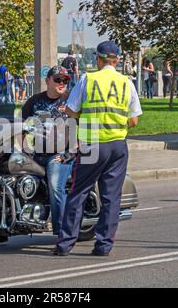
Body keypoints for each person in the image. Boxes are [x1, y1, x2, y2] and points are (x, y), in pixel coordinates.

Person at [54, 41, 142, 256]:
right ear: (117, 60)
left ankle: (65, 245)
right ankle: (103, 246)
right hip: (118, 146)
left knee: (78, 193)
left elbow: (72, 111)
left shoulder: (88, 79)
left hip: (92, 143)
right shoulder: (126, 82)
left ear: (98, 60)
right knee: (111, 197)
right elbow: (134, 121)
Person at [0, 66, 75, 247]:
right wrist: (22, 146)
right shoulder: (35, 100)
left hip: (61, 155)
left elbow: (84, 126)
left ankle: (63, 234)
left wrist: (70, 153)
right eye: (58, 80)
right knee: (2, 177)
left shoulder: (71, 100)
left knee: (55, 186)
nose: (62, 83)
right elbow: (19, 124)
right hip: (37, 154)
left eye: (65, 80)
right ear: (48, 81)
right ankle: (0, 229)